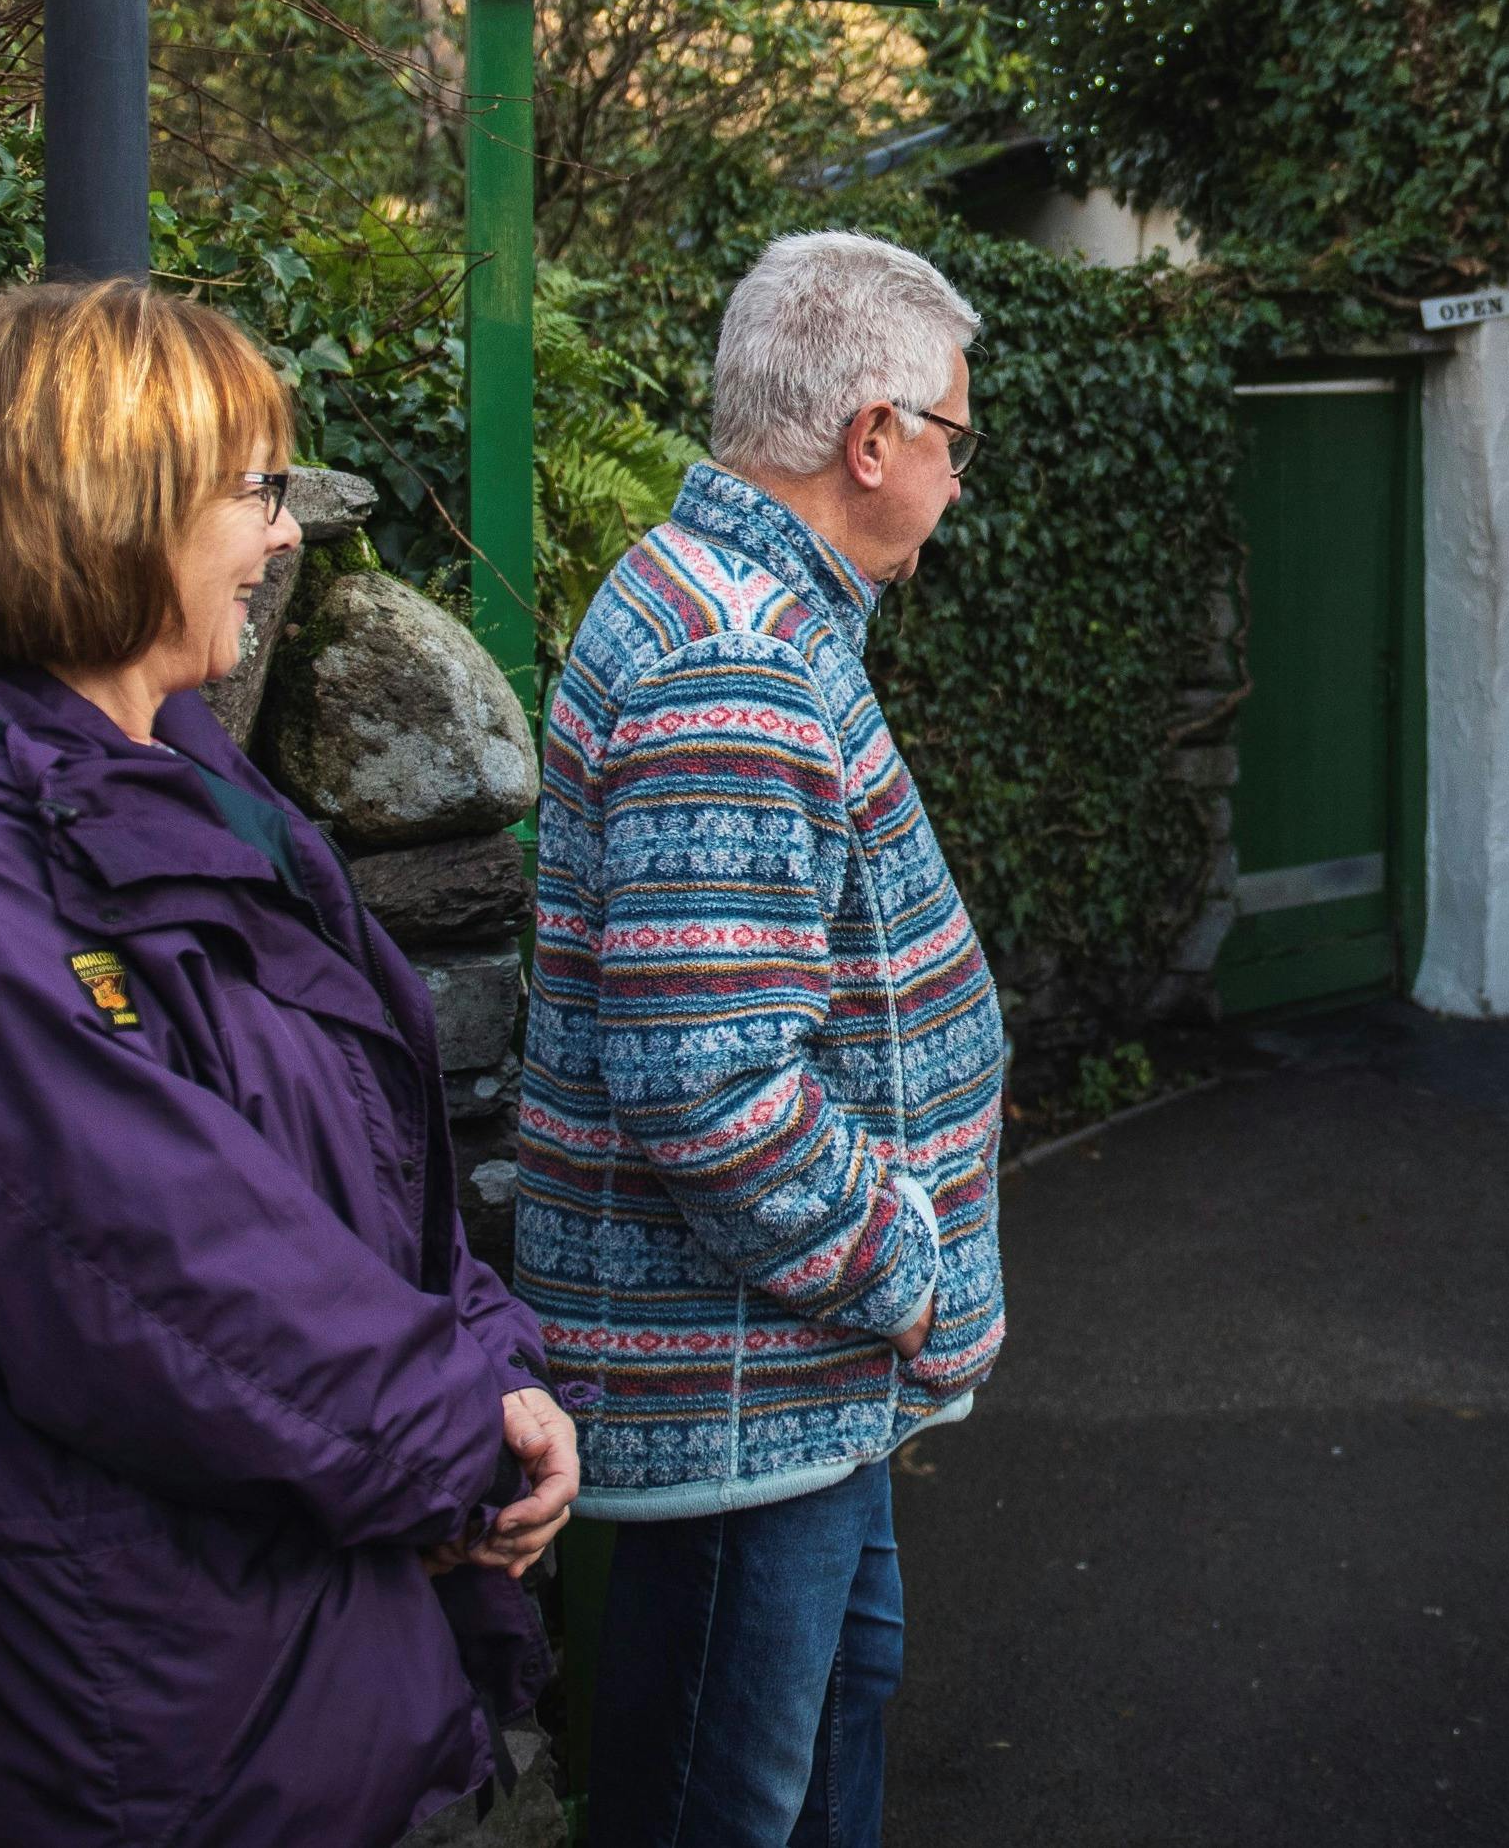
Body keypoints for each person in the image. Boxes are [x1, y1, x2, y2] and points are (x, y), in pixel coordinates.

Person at [0, 279, 576, 1846]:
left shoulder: (196, 783)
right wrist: (474, 1437)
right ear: (106, 507)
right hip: (145, 1732)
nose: (281, 535)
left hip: (297, 1681)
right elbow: (152, 1272)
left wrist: (499, 1363)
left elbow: (375, 1181)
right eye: (253, 488)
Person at [515, 229, 1011, 1848]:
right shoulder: (735, 660)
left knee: (828, 1731)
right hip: (746, 1389)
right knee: (722, 1811)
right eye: (950, 436)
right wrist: (915, 1277)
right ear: (871, 440)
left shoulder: (737, 607)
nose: (954, 478)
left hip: (791, 1392)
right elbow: (714, 1090)